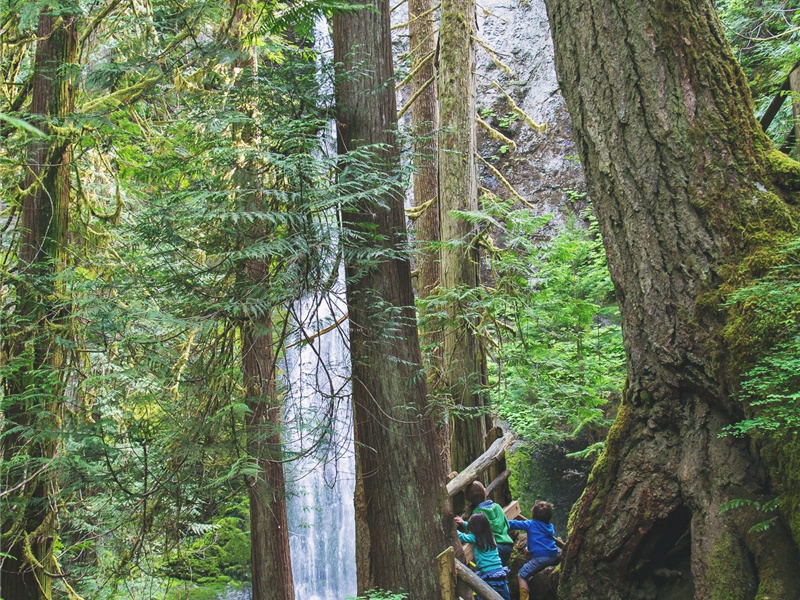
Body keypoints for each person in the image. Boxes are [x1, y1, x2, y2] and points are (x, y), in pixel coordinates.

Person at [508, 500, 563, 600]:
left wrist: (504, 521)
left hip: (541, 558)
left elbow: (515, 524)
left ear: (533, 512)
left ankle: (524, 597)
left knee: (522, 574)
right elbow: (543, 540)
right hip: (553, 554)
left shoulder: (531, 524)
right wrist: (530, 548)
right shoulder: (550, 527)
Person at [456, 513, 511, 600]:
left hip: (488, 575)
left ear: (475, 529)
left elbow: (462, 537)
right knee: (504, 597)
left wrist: (453, 529)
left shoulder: (477, 539)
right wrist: (463, 523)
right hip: (500, 574)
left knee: (485, 595)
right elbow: (476, 529)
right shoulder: (491, 537)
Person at [460, 480, 514, 566]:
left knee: (493, 569)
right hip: (507, 544)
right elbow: (506, 524)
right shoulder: (497, 506)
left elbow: (476, 533)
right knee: (501, 569)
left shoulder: (477, 513)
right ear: (485, 492)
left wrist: (464, 524)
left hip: (493, 548)